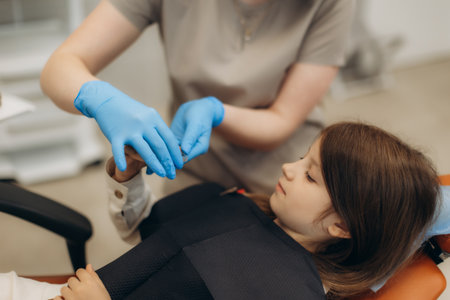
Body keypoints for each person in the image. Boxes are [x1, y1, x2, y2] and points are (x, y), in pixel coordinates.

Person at [21, 121, 436, 299]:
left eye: (311, 176)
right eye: (301, 158)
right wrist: (127, 177)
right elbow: (147, 235)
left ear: (343, 225)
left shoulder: (289, 294)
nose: (288, 169)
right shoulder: (232, 200)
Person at [40, 0, 355, 196]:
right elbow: (60, 66)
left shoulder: (329, 3)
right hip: (189, 166)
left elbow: (282, 120)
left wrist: (216, 113)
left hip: (287, 174)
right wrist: (99, 98)